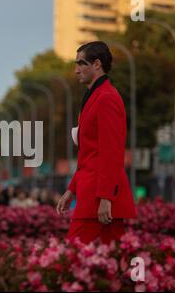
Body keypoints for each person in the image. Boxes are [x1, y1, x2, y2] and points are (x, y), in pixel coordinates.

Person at [56, 41, 137, 244]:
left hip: (97, 198)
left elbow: (111, 153)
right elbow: (88, 154)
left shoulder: (106, 98)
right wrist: (71, 189)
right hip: (93, 193)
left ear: (97, 64)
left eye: (81, 63)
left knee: (73, 257)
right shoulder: (95, 96)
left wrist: (105, 198)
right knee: (114, 260)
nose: (76, 70)